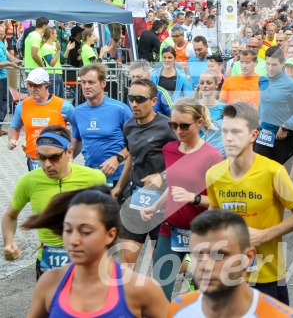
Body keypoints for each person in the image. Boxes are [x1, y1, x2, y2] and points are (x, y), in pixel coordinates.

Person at [206, 102, 293, 304]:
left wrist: (263, 235)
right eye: (225, 131)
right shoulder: (214, 174)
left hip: (266, 275)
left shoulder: (273, 172)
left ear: (253, 135)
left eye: (236, 132)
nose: (228, 138)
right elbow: (214, 213)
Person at [23, 186, 169, 317]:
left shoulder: (141, 289)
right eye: (68, 230)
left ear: (110, 235)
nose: (74, 240)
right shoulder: (50, 282)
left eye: (85, 232)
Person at [140, 98, 223, 300]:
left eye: (184, 125)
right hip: (171, 229)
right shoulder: (169, 149)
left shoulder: (212, 156)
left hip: (203, 233)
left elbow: (219, 203)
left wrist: (193, 198)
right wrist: (155, 207)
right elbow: (174, 186)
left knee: (204, 297)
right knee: (159, 295)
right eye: (173, 125)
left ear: (199, 122)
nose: (178, 130)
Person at [2, 126, 105, 279]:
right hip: (47, 262)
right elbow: (10, 216)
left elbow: (106, 219)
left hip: (86, 261)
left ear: (69, 152)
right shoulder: (28, 181)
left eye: (54, 157)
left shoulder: (94, 178)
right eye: (41, 157)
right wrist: (8, 243)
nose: (47, 164)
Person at [168, 209, 293, 317]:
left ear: (248, 257)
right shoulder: (178, 310)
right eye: (198, 254)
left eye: (219, 254)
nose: (205, 266)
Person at [111, 79, 178, 270]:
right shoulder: (129, 125)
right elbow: (132, 156)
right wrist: (118, 187)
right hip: (135, 198)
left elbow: (185, 162)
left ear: (154, 101)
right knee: (126, 263)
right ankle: (126, 299)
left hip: (162, 203)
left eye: (140, 99)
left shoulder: (168, 127)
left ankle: (189, 268)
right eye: (131, 98)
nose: (134, 104)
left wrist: (162, 176)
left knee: (162, 265)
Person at [71, 64, 132, 187]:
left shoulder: (120, 109)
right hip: (91, 175)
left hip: (118, 176)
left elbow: (136, 141)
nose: (86, 86)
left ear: (103, 84)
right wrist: (66, 159)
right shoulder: (78, 112)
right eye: (83, 82)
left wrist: (118, 158)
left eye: (91, 82)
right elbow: (77, 140)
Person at [7, 68, 74, 171]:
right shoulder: (22, 106)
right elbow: (15, 128)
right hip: (33, 160)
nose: (33, 89)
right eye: (30, 85)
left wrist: (70, 148)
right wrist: (12, 140)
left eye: (37, 85)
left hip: (56, 160)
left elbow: (79, 127)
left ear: (47, 85)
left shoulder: (64, 106)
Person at [255, 48, 293, 174]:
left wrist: (285, 126)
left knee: (279, 179)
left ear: (282, 64)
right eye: (267, 64)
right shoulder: (262, 80)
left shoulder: (290, 84)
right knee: (261, 174)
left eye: (274, 65)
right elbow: (262, 104)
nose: (270, 68)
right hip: (264, 135)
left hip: (283, 138)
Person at [196, 71, 226, 157]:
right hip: (199, 155)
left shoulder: (224, 108)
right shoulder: (194, 107)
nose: (205, 86)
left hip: (220, 156)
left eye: (209, 83)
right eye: (202, 83)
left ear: (216, 84)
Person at [0, 24, 20, 134]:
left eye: (3, 34)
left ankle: (0, 124)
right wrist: (9, 64)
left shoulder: (2, 43)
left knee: (6, 99)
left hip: (3, 77)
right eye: (0, 34)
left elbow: (8, 55)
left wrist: (16, 61)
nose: (2, 36)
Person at [38, 27, 64, 98]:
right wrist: (58, 51)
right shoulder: (45, 47)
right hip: (52, 75)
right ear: (51, 34)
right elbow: (51, 63)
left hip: (59, 73)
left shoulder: (54, 44)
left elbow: (63, 58)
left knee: (60, 98)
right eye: (56, 33)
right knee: (53, 98)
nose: (57, 35)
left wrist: (68, 49)